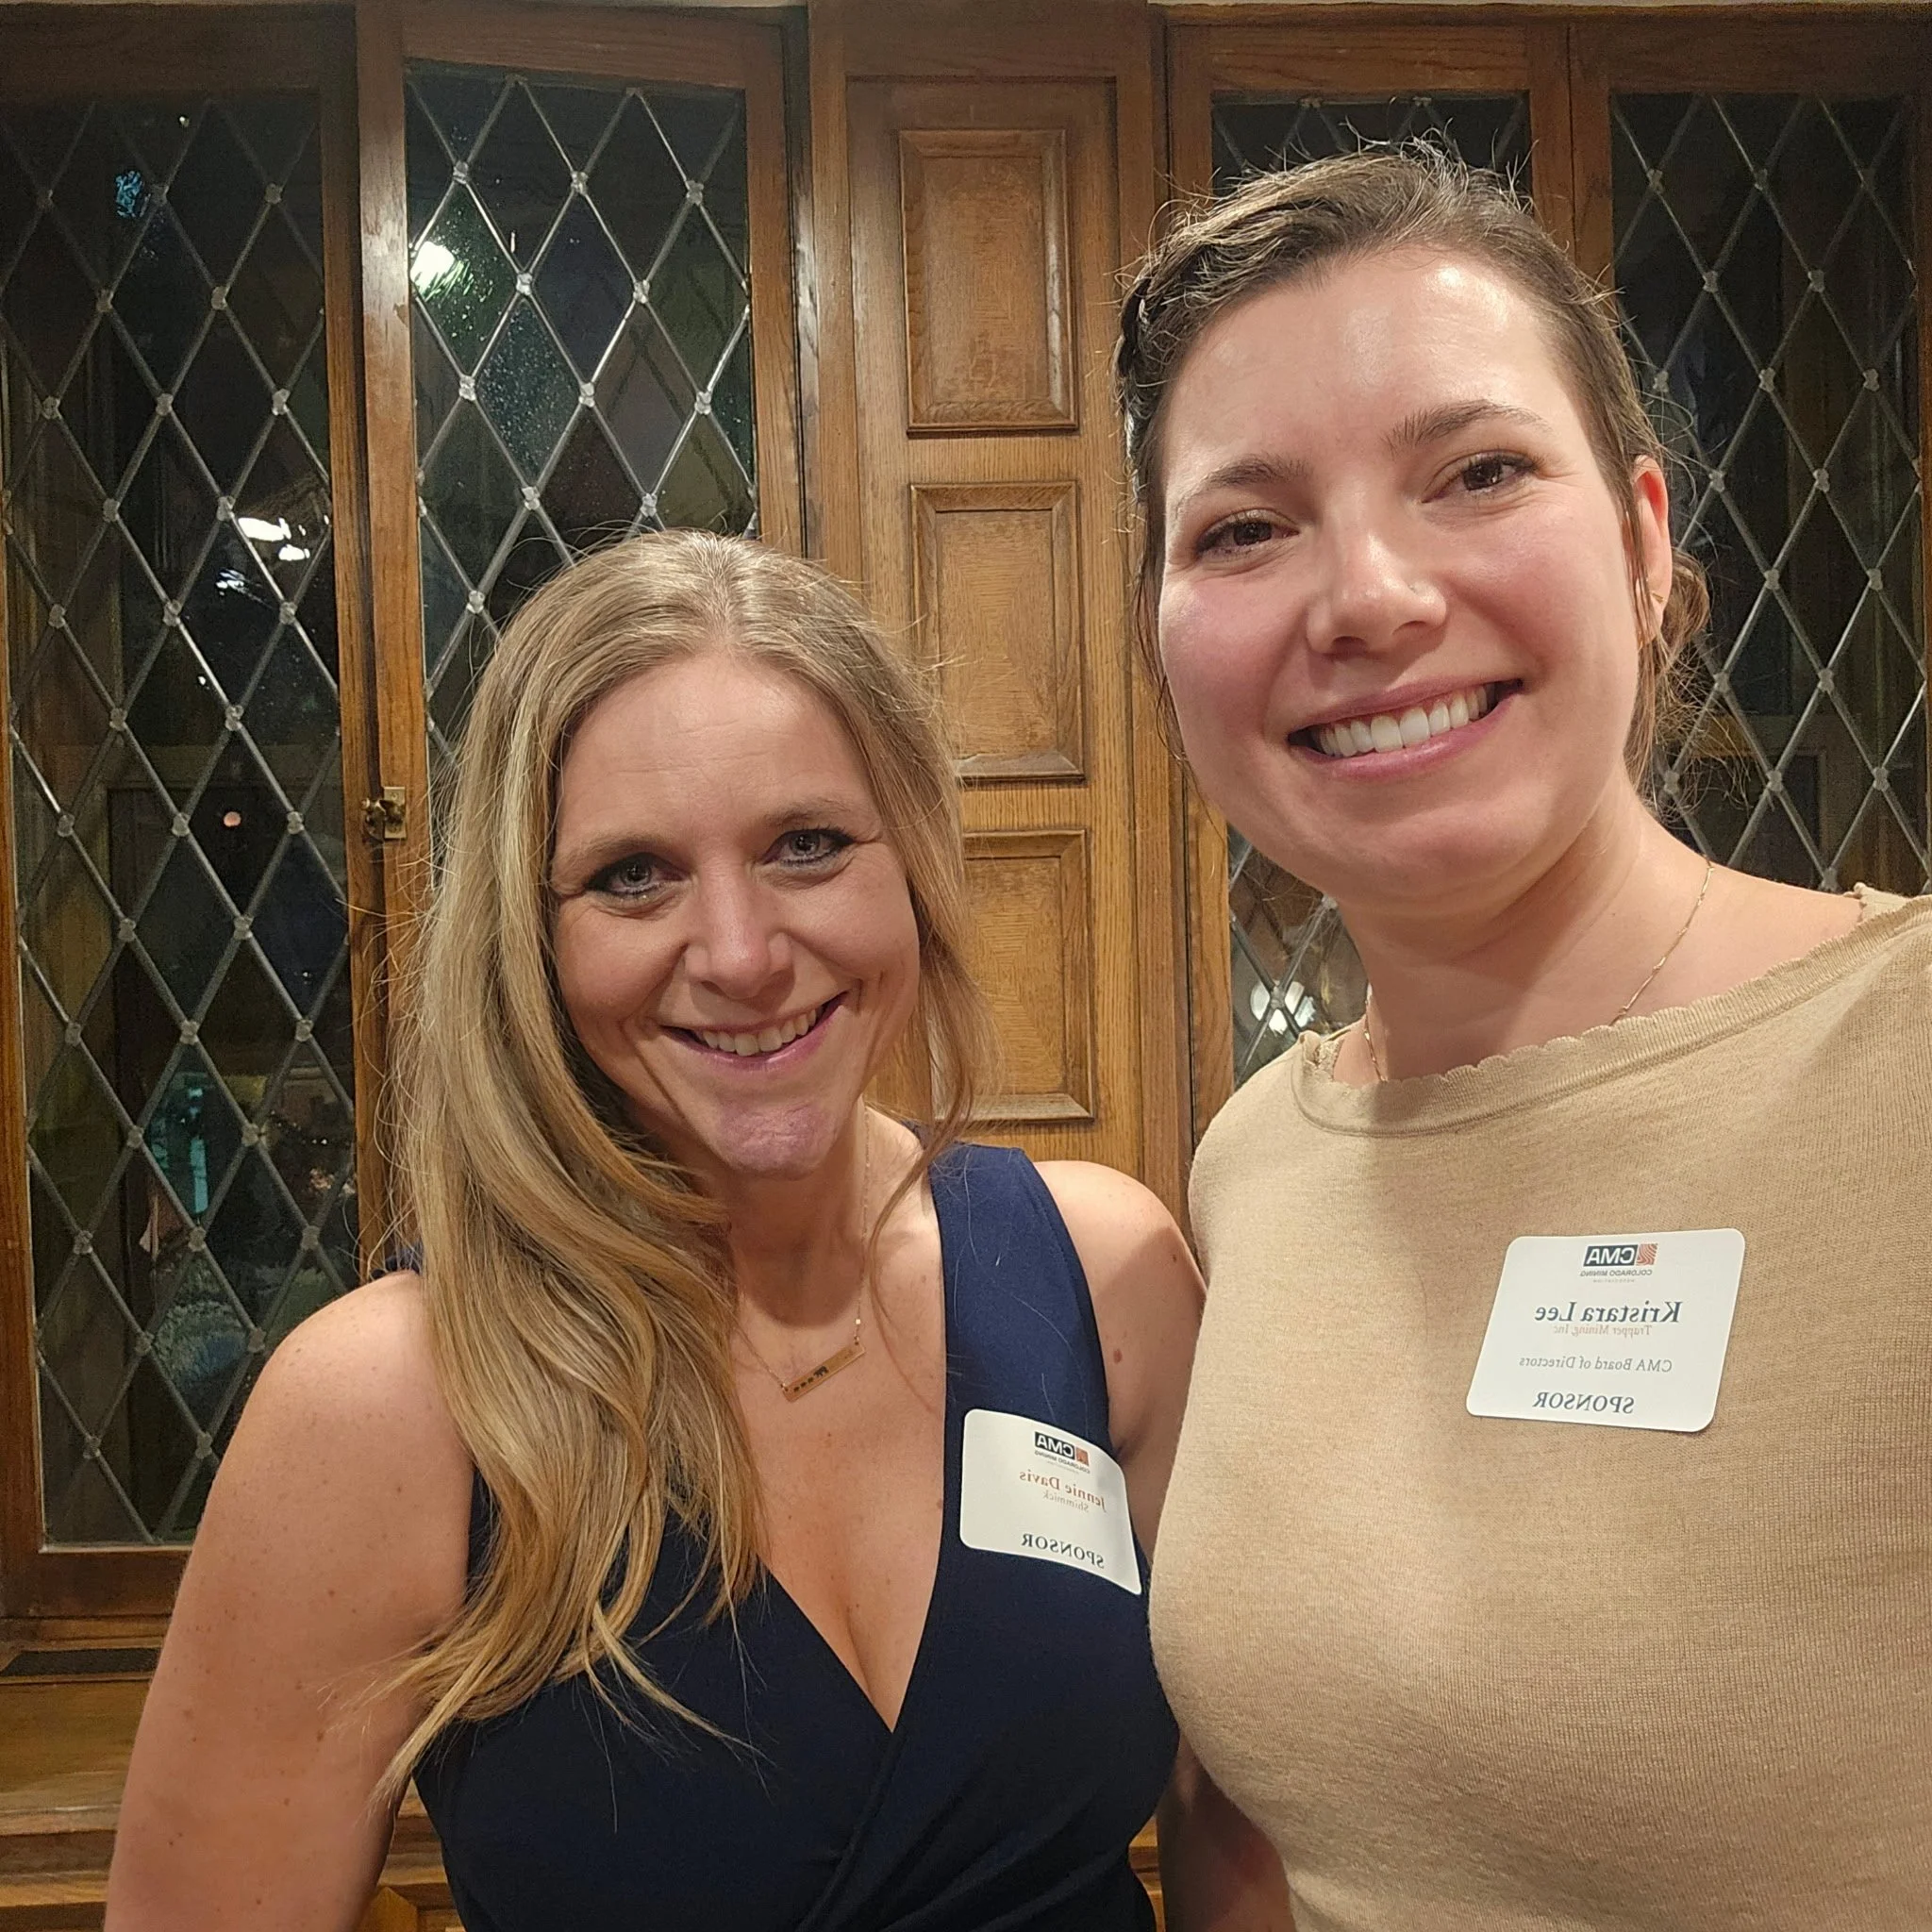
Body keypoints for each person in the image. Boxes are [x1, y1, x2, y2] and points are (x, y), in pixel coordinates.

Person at [108, 531, 1204, 1931]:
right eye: (634, 875)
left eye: (807, 846)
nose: (740, 954)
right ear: (533, 933)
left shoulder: (1103, 1278)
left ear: (917, 859)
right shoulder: (390, 1406)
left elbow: (1242, 1825)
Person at [1117, 150, 1932, 1930]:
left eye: (1477, 473)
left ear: (1644, 544)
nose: (1369, 598)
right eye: (1245, 529)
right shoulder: (1260, 1164)